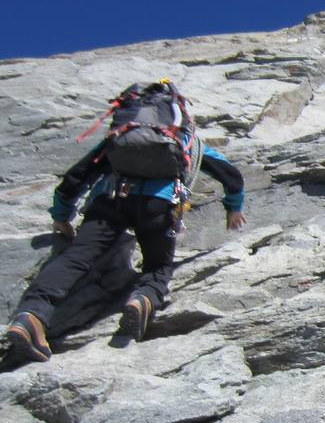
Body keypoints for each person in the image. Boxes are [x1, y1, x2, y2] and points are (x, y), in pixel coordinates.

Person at [5, 85, 245, 361]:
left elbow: (77, 176)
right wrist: (233, 209)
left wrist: (61, 216)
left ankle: (32, 315)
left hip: (110, 201)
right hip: (159, 205)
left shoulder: (122, 135)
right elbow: (231, 175)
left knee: (75, 259)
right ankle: (141, 299)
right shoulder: (185, 138)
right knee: (157, 267)